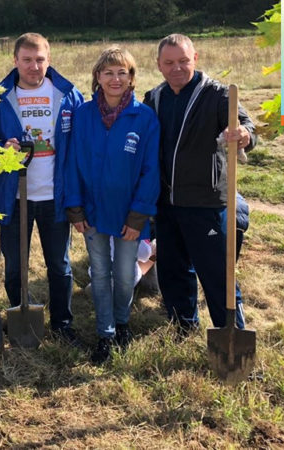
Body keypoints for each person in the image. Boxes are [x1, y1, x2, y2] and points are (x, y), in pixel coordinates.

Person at [143, 33, 256, 335]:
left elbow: (247, 126)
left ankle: (232, 334)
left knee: (217, 273)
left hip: (205, 202)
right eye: (169, 62)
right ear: (159, 65)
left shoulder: (218, 96)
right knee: (173, 271)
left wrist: (243, 134)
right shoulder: (153, 98)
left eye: (183, 60)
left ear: (195, 58)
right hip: (166, 203)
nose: (176, 68)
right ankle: (184, 328)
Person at [0, 33, 84, 345]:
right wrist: (2, 147)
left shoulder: (67, 95)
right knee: (14, 266)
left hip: (55, 195)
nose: (34, 66)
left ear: (48, 59)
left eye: (40, 59)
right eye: (27, 60)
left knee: (59, 265)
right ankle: (18, 318)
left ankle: (63, 324)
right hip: (13, 197)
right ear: (15, 61)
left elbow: (79, 142)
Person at [65, 46, 160, 363]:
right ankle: (106, 332)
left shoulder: (145, 118)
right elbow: (73, 162)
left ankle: (122, 322)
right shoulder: (84, 115)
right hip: (92, 213)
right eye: (108, 72)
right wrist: (75, 207)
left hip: (128, 216)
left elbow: (150, 170)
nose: (115, 78)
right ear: (97, 77)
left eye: (122, 72)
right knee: (100, 275)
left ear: (132, 78)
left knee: (124, 274)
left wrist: (138, 217)